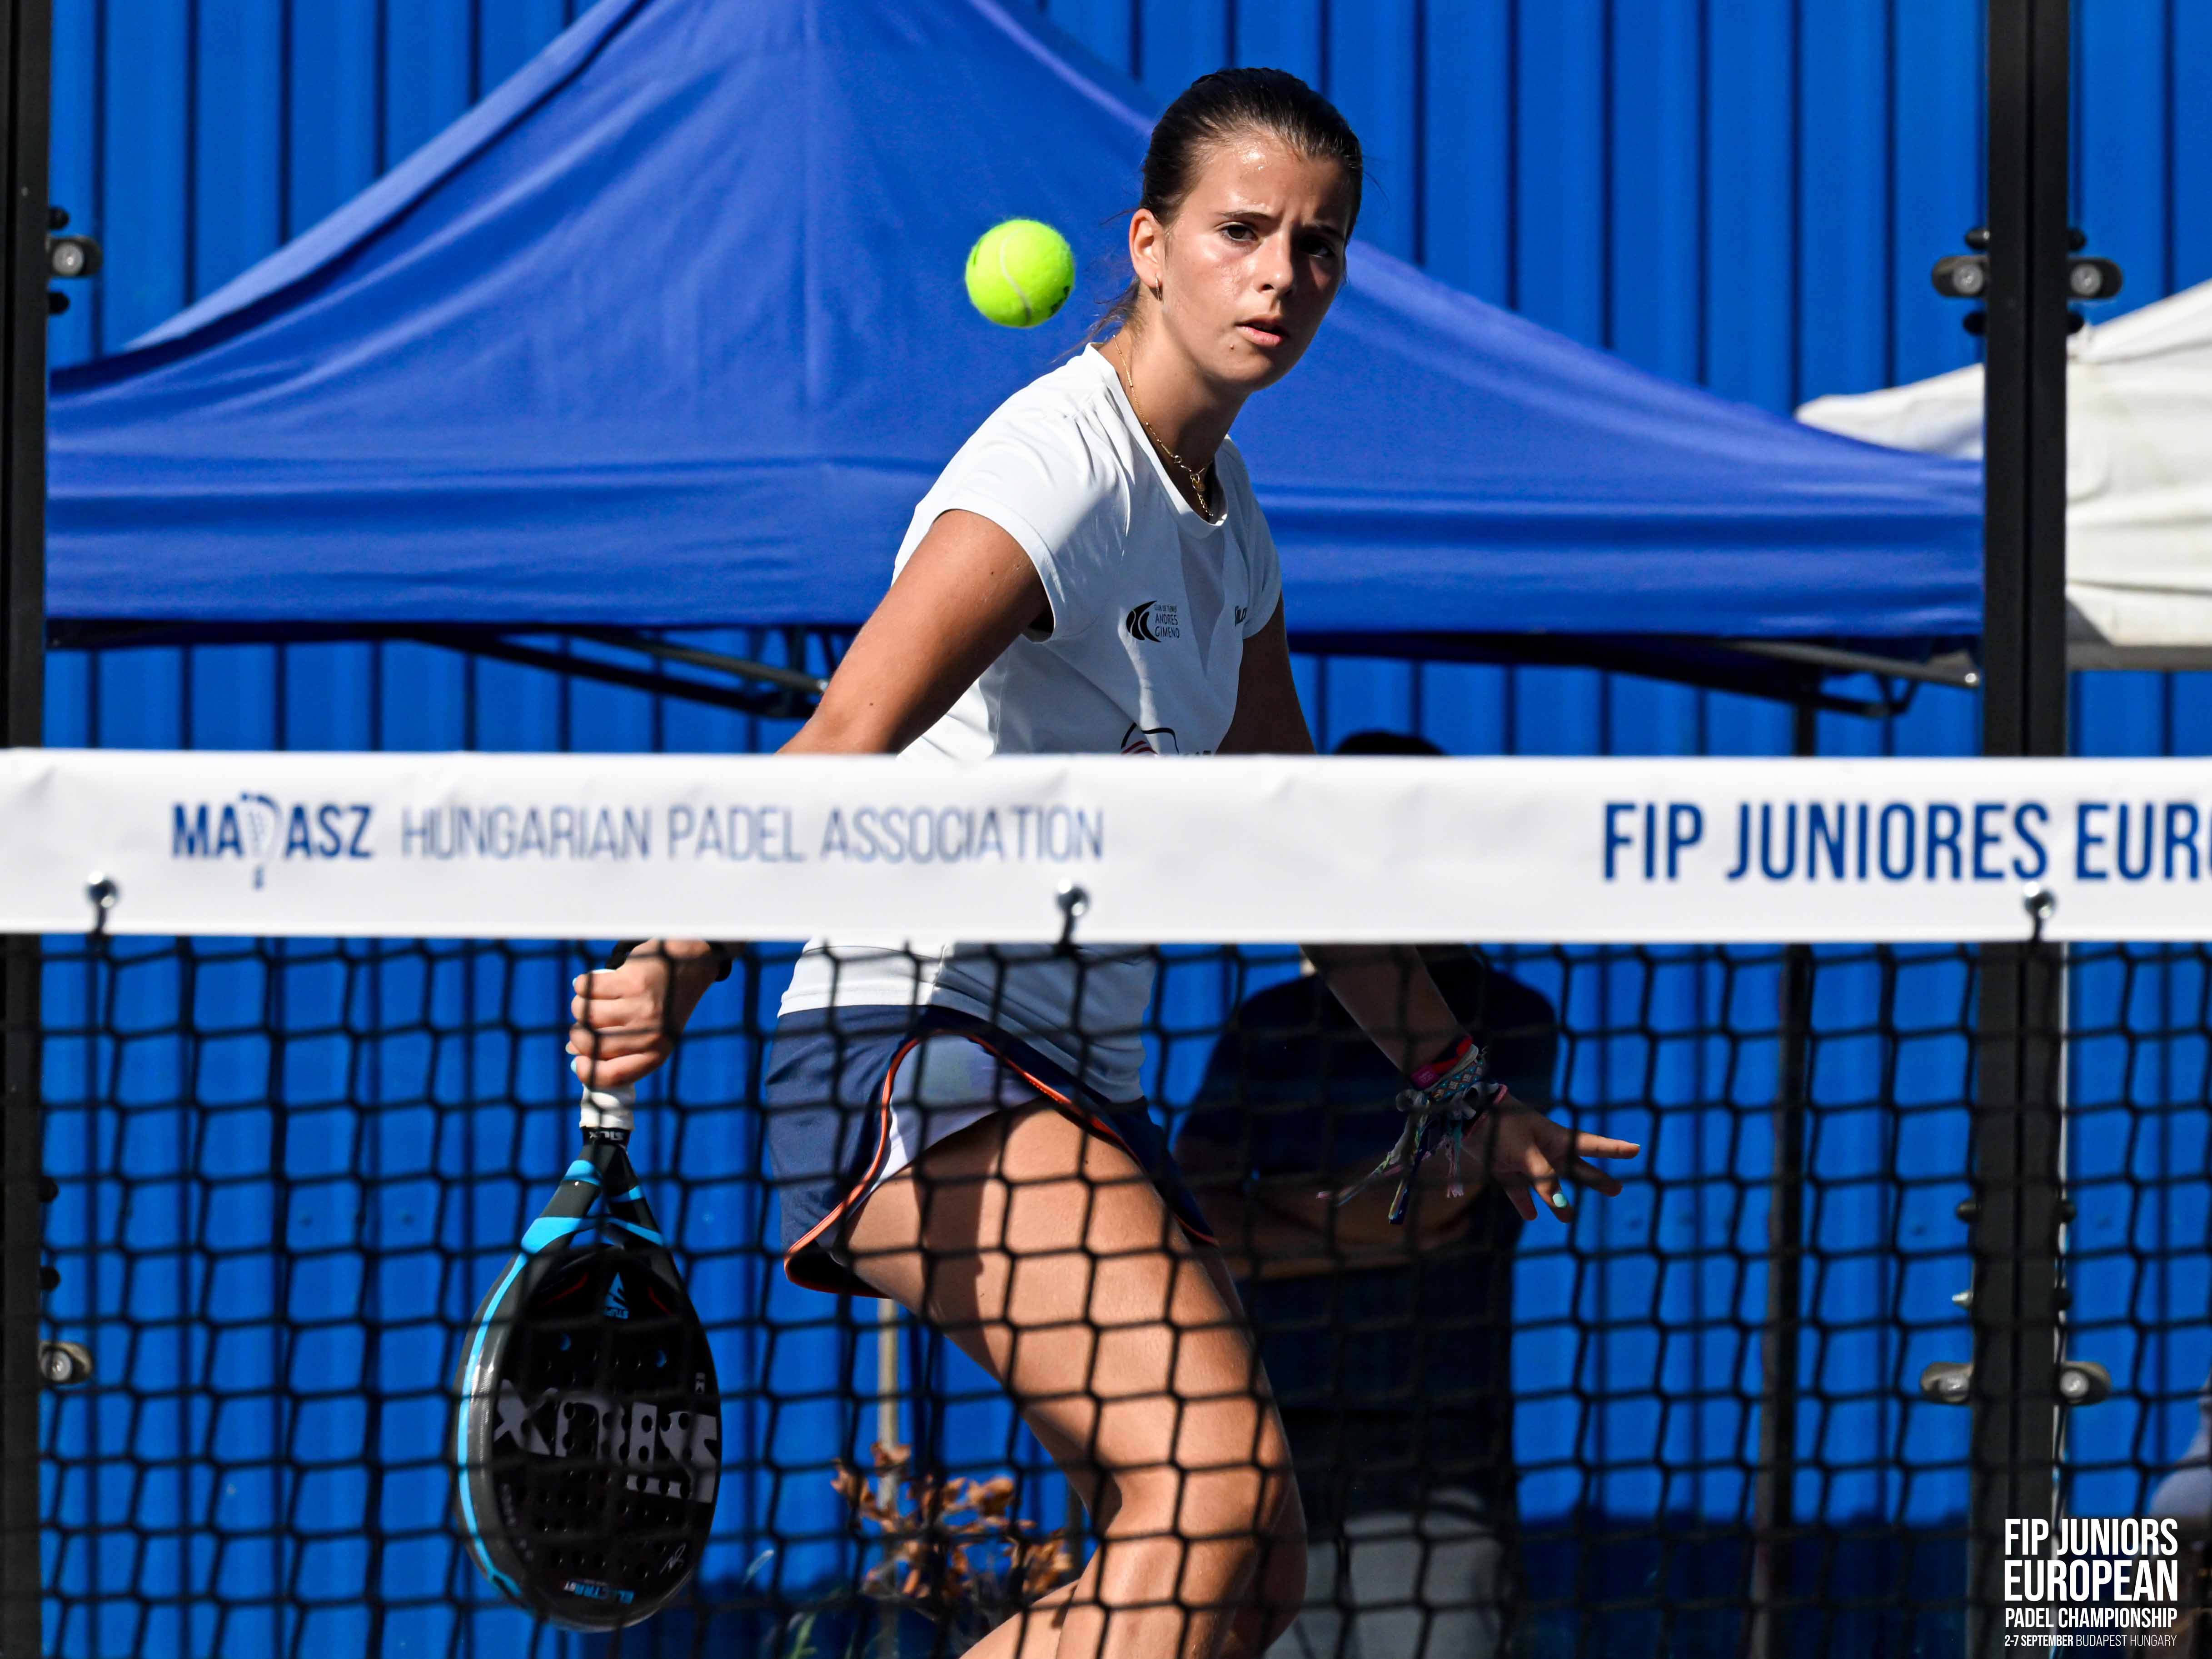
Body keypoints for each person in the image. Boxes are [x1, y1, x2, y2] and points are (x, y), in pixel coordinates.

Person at [565, 69, 1641, 1659]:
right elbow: (848, 731)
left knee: (1249, 1574)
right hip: (915, 1045)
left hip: (1079, 1078)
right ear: (1147, 245)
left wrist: (1462, 1092)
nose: (1280, 275)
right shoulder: (1056, 465)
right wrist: (682, 950)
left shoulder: (1231, 529)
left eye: (1318, 246)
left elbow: (1292, 851)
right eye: (1239, 232)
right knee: (1211, 1496)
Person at [1175, 732, 1558, 1659]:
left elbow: (1434, 1201)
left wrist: (1279, 1213)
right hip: (1275, 1437)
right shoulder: (1271, 1022)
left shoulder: (1505, 1016)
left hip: (1438, 1448)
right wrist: (1362, 1220)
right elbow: (1201, 1218)